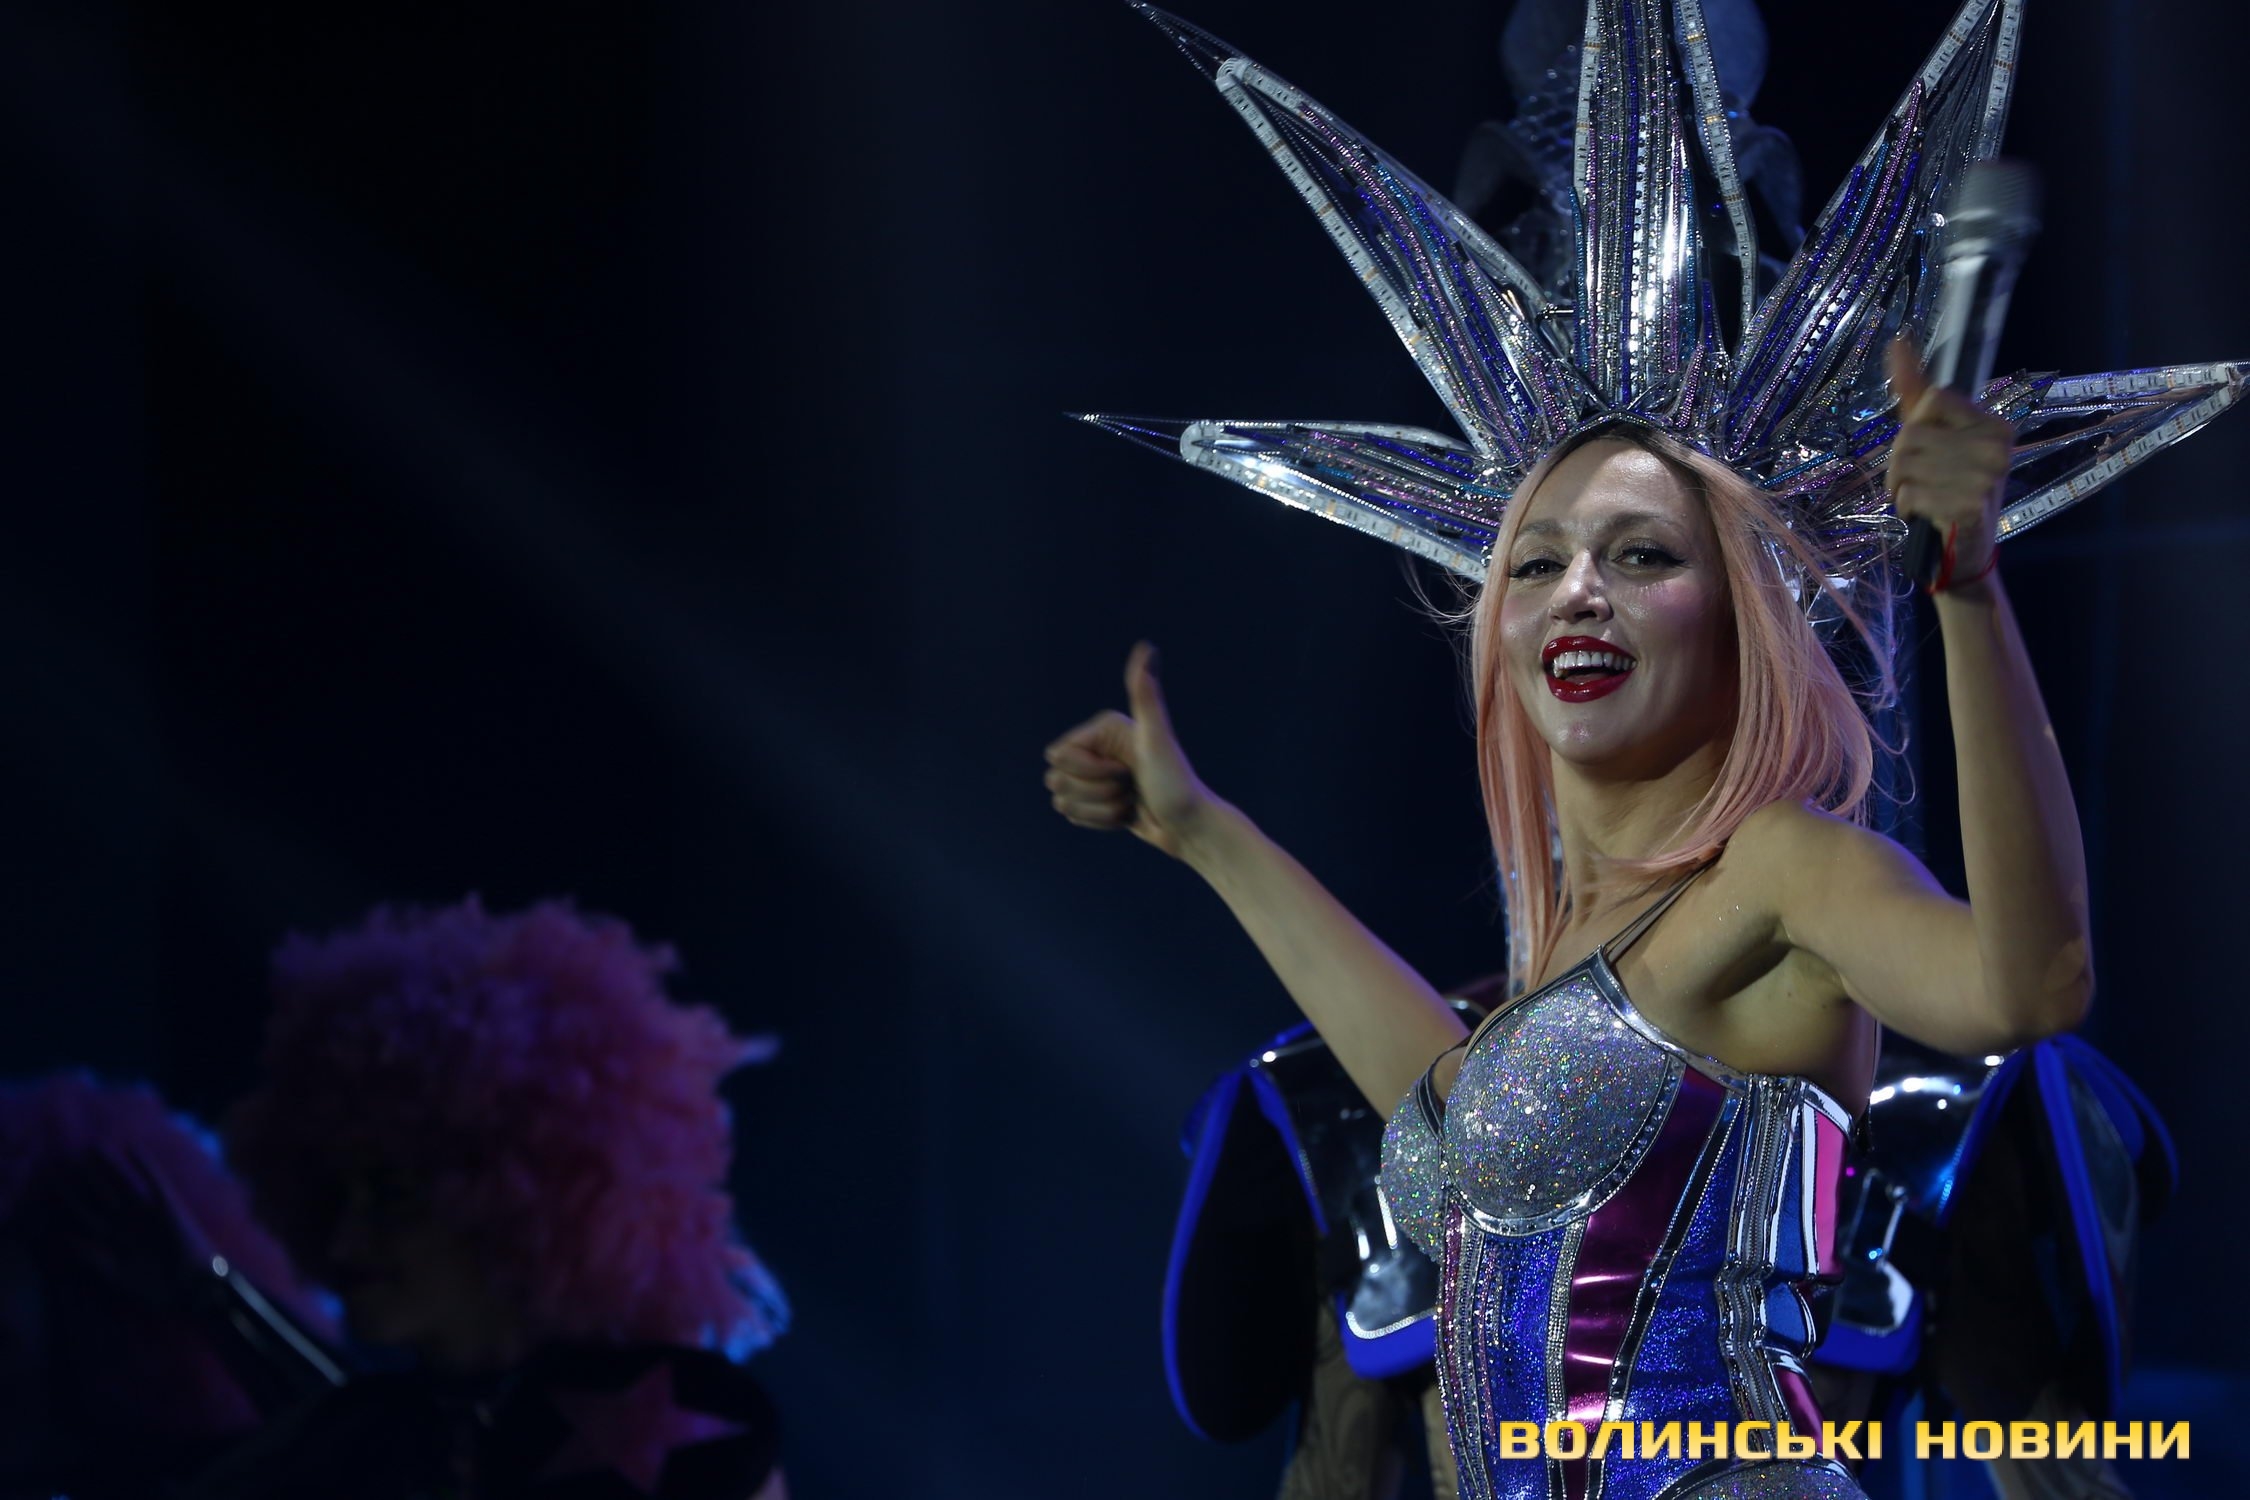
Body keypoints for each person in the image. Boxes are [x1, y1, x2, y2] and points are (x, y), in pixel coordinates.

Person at [1057, 2, 2241, 1494]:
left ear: (1740, 622)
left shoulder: (1783, 871)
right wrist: (1200, 832)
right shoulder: (1575, 953)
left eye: (1640, 555)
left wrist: (1966, 592)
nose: (1578, 593)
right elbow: (1446, 1103)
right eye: (1538, 561)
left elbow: (2029, 984)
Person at [188, 896, 790, 1500]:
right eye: (334, 1192)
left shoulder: (685, 1438)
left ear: (524, 1199)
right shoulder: (340, 1440)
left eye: (394, 1196)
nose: (345, 1238)